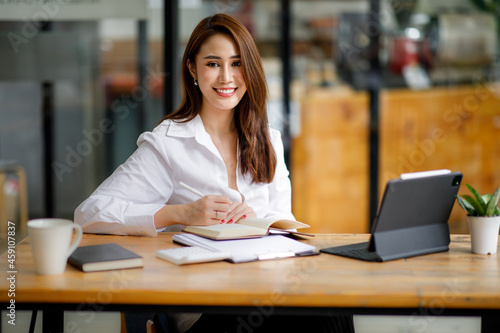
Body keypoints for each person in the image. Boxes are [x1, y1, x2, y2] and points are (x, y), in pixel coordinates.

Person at [75, 13, 354, 333]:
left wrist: (260, 224)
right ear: (193, 68)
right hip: (205, 308)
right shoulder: (169, 143)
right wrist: (180, 213)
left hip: (265, 289)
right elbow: (88, 213)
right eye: (213, 64)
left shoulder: (268, 139)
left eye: (236, 63)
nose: (226, 77)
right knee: (318, 316)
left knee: (331, 305)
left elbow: (284, 225)